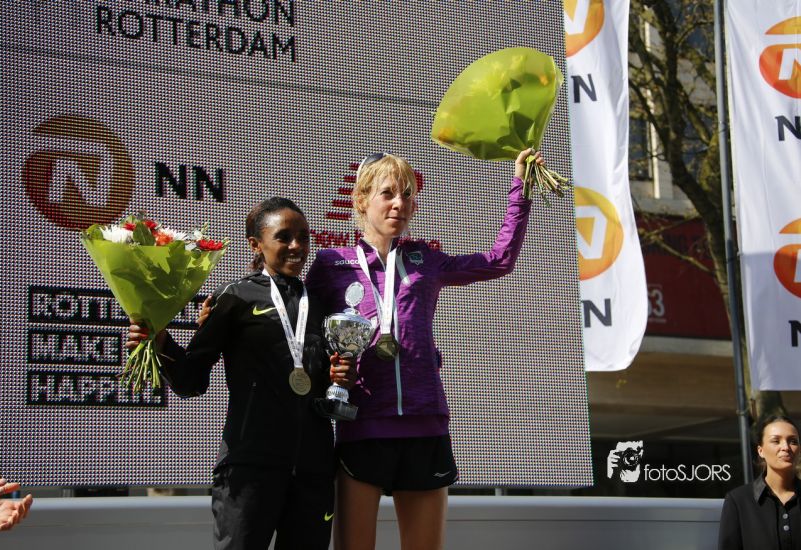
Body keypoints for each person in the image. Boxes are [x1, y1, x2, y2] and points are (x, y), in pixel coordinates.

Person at [305, 149, 541, 550]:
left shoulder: (424, 259)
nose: (399, 203)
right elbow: (304, 332)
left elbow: (499, 260)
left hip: (424, 425)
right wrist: (329, 368)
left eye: (407, 195)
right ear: (360, 200)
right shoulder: (331, 264)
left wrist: (521, 186)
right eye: (387, 193)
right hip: (362, 424)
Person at [127, 197, 353, 550]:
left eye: (303, 236)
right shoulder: (234, 297)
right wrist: (160, 341)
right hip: (250, 469)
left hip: (313, 470)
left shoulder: (323, 305)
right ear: (256, 245)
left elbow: (320, 391)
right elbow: (190, 380)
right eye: (284, 237)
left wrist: (337, 379)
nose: (297, 246)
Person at [718, 414, 801, 550]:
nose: (786, 447)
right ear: (760, 450)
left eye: (793, 441)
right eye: (776, 441)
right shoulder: (738, 500)